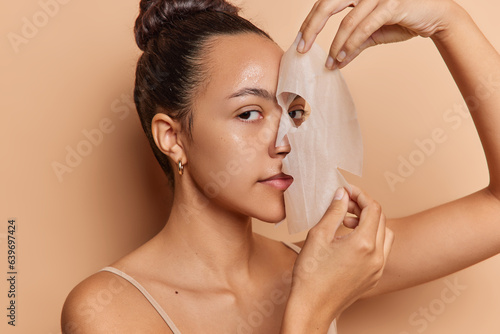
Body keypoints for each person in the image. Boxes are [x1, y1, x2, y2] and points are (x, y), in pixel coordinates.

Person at [61, 0, 500, 333]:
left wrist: (448, 20)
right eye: (249, 113)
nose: (287, 141)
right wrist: (312, 308)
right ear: (172, 137)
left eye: (292, 112)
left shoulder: (325, 262)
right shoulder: (108, 308)